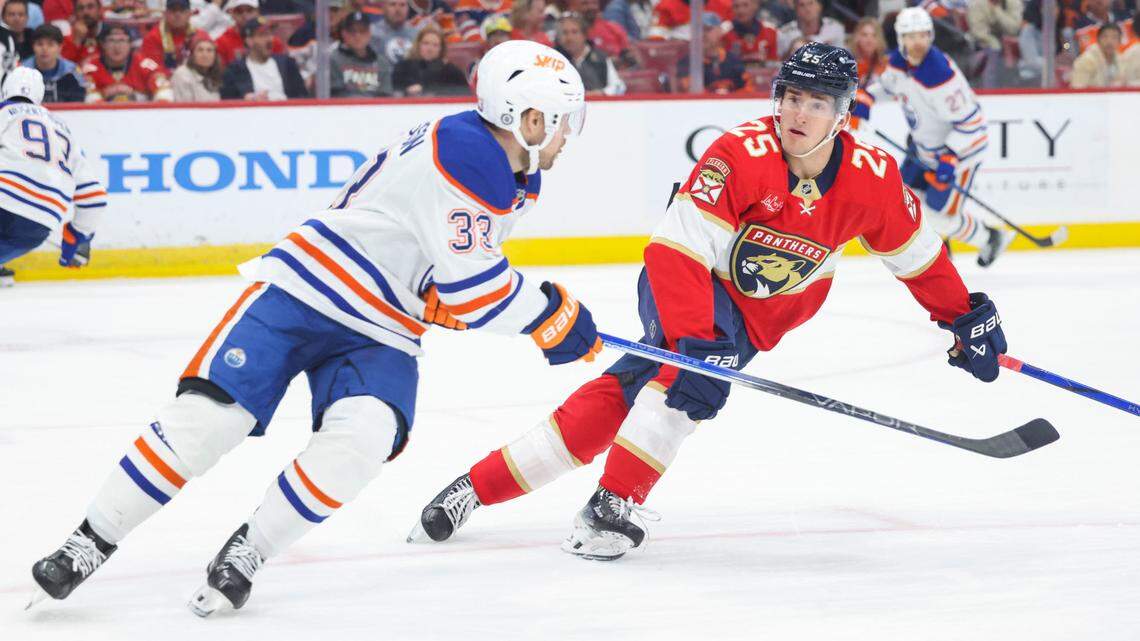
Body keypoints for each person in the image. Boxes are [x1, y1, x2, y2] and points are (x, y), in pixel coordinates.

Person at [29, 39, 600, 615]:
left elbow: (442, 262)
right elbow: (478, 291)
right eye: (562, 121)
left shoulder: (510, 170)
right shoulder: (471, 154)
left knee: (364, 438)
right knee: (208, 420)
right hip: (310, 289)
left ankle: (247, 551)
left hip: (384, 324)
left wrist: (432, 292)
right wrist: (555, 316)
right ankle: (87, 542)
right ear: (528, 118)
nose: (569, 135)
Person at [410, 43, 1009, 563]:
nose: (798, 113)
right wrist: (698, 339)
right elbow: (676, 254)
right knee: (685, 385)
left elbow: (919, 258)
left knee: (624, 394)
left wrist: (963, 316)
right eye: (792, 97)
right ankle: (608, 510)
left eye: (817, 103)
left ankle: (472, 488)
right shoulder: (740, 155)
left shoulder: (872, 180)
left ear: (843, 113)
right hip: (691, 288)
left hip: (758, 321)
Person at [853, 7, 1013, 267]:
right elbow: (888, 86)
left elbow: (971, 123)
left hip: (960, 153)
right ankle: (940, 246)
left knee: (942, 217)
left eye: (923, 35)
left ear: (931, 36)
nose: (918, 42)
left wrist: (950, 157)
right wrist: (868, 97)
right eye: (911, 36)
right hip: (923, 147)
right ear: (901, 38)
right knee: (902, 199)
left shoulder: (941, 75)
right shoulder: (898, 62)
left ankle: (990, 237)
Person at [0, 67, 107, 287]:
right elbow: (94, 196)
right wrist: (77, 235)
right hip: (38, 226)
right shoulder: (65, 132)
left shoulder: (3, 113)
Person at [220, 16, 307, 99]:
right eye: (262, 35)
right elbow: (228, 100)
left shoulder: (287, 64)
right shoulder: (235, 70)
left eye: (270, 34)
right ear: (249, 41)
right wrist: (246, 99)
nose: (269, 39)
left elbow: (302, 96)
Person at [83, 24, 174, 102]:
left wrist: (135, 95)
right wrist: (103, 95)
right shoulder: (91, 67)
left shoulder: (145, 65)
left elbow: (165, 93)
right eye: (111, 40)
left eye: (122, 40)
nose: (117, 46)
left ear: (130, 44)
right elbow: (89, 98)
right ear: (102, 44)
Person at [555, 13, 623, 95]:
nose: (569, 38)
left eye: (574, 32)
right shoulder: (555, 58)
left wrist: (600, 93)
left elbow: (618, 86)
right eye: (565, 33)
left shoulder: (600, 58)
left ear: (584, 35)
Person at [393, 23, 469, 95]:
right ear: (418, 44)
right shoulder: (403, 67)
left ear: (441, 49)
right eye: (426, 43)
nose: (430, 49)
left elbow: (465, 94)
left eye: (435, 45)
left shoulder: (451, 71)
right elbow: (394, 92)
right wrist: (407, 91)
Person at [329, 10, 392, 96]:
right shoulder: (333, 60)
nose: (357, 36)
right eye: (352, 31)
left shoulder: (381, 62)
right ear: (344, 33)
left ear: (369, 33)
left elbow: (385, 97)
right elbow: (335, 95)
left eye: (362, 31)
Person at [22, 24, 86, 102]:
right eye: (40, 44)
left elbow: (78, 102)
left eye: (50, 45)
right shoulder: (22, 71)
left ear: (60, 47)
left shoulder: (72, 72)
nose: (44, 49)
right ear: (33, 46)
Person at [678, 20, 746, 93]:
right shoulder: (687, 63)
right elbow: (690, 92)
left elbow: (749, 88)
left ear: (719, 32)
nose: (703, 34)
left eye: (708, 29)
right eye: (698, 30)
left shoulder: (734, 60)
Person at [140, 0, 210, 71]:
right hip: (164, 79)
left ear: (189, 14)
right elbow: (150, 69)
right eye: (173, 10)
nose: (177, 14)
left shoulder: (201, 36)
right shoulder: (152, 38)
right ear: (165, 14)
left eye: (182, 10)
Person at [215, 0, 287, 65]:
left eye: (249, 10)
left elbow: (282, 68)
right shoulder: (221, 42)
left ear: (258, 11)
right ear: (232, 14)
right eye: (239, 11)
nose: (244, 15)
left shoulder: (272, 41)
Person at [775, 0, 845, 57]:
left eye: (811, 3)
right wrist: (792, 47)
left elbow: (842, 58)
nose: (807, 9)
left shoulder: (835, 28)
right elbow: (780, 63)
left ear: (819, 6)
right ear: (796, 9)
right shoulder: (785, 32)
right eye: (802, 5)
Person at [1070, 21, 1126, 87]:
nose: (1109, 41)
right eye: (1105, 37)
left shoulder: (1122, 60)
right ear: (1098, 40)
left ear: (1119, 41)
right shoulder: (1085, 61)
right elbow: (1077, 88)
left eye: (1114, 37)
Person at [171, 31, 223, 100]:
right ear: (192, 55)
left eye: (209, 50)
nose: (205, 55)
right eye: (200, 50)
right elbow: (185, 108)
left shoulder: (213, 75)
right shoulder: (182, 75)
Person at [370, 0, 421, 64]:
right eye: (393, 4)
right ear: (383, 8)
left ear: (408, 9)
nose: (398, 9)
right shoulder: (371, 33)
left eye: (402, 5)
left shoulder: (417, 34)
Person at [60, 0, 102, 64]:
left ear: (99, 10)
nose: (86, 12)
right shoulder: (66, 39)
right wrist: (76, 41)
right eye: (80, 8)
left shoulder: (109, 34)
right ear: (75, 13)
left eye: (90, 7)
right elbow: (64, 68)